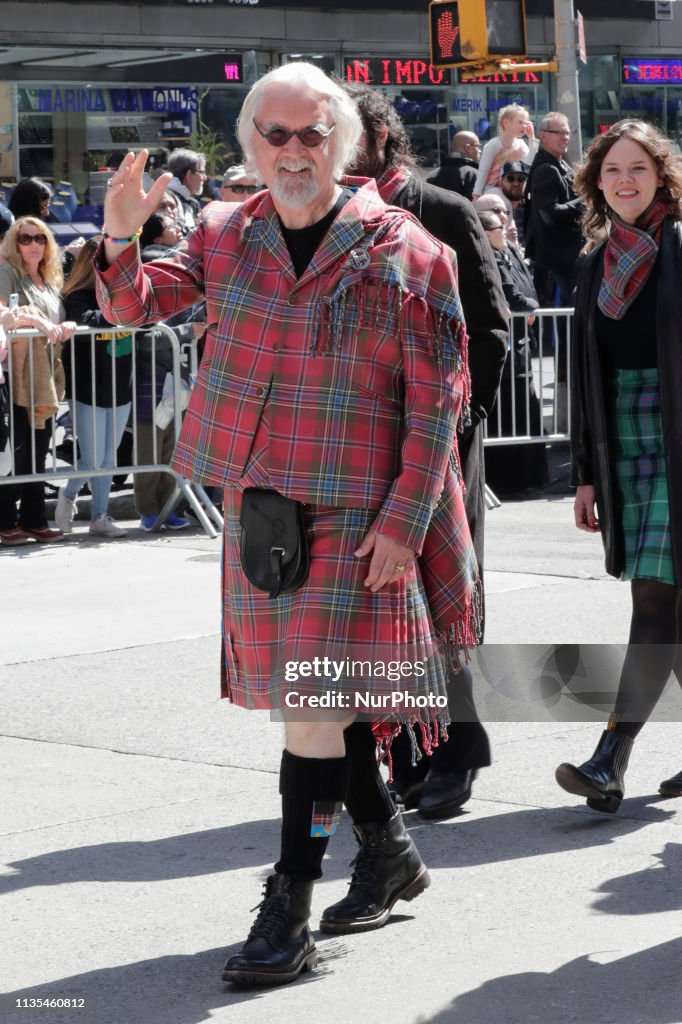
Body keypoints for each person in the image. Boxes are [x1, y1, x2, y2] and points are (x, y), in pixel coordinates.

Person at [95, 61, 479, 986]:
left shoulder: (409, 249)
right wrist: (119, 236)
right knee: (317, 704)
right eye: (277, 134)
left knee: (309, 711)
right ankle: (385, 849)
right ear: (250, 146)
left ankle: (291, 907)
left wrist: (403, 519)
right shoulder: (226, 236)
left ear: (344, 144)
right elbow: (132, 306)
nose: (296, 150)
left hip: (358, 521)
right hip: (262, 512)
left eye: (314, 134)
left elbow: (438, 404)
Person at [343, 82, 508, 820]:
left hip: (442, 442)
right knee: (383, 605)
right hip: (363, 447)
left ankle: (457, 754)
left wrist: (458, 427)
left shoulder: (443, 210)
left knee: (447, 602)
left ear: (379, 136)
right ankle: (408, 753)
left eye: (337, 135)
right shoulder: (328, 218)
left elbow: (493, 330)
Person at [555, 119, 682, 813]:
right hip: (623, 439)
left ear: (661, 175)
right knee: (668, 600)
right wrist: (584, 472)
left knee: (655, 600)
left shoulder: (680, 244)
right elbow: (584, 369)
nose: (625, 180)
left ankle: (611, 755)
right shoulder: (594, 260)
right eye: (612, 171)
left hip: (678, 434)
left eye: (637, 168)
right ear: (596, 183)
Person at [0, 217, 76, 544]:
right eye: (25, 238)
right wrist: (38, 321)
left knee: (39, 448)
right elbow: (4, 313)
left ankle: (34, 518)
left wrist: (67, 324)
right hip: (17, 374)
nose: (33, 244)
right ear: (14, 243)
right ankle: (5, 520)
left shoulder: (50, 277)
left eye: (40, 238)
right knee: (15, 451)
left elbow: (60, 318)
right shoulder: (7, 271)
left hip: (45, 374)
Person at [55, 237, 132, 539]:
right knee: (91, 457)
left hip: (119, 383)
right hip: (88, 385)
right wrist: (122, 315)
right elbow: (86, 318)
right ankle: (69, 493)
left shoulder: (125, 293)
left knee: (108, 456)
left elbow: (145, 324)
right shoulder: (77, 293)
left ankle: (100, 516)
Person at [524, 112, 583, 310]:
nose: (564, 137)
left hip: (564, 258)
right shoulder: (546, 169)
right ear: (543, 135)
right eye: (558, 132)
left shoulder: (559, 164)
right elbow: (550, 214)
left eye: (567, 132)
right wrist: (585, 201)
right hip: (557, 261)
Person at [473, 104, 537, 199]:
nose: (524, 126)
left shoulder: (520, 144)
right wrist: (476, 194)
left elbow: (530, 162)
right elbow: (483, 171)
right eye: (520, 122)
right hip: (493, 189)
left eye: (527, 123)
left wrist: (532, 138)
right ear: (506, 123)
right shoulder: (493, 144)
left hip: (513, 189)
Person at [426, 130, 481, 200]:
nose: (480, 151)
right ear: (468, 148)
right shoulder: (474, 176)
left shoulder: (430, 176)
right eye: (478, 146)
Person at [486, 160, 529, 248]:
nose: (516, 183)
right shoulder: (494, 209)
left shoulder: (531, 207)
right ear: (501, 182)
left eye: (521, 179)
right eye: (510, 178)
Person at [165, 148, 207, 235]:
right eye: (201, 172)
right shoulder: (165, 200)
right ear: (188, 174)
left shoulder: (192, 203)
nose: (205, 177)